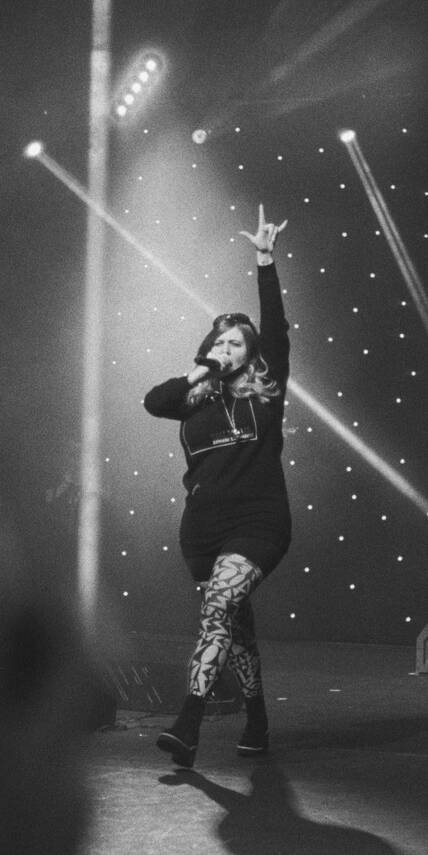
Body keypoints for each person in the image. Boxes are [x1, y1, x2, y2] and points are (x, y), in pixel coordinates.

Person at [143, 205, 291, 768]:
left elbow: (276, 330)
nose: (228, 350)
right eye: (220, 343)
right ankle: (257, 719)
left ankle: (188, 723)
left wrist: (265, 262)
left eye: (237, 345)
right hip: (202, 529)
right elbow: (153, 401)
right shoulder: (192, 400)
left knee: (218, 608)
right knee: (234, 623)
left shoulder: (267, 391)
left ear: (251, 355)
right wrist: (198, 372)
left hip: (258, 522)